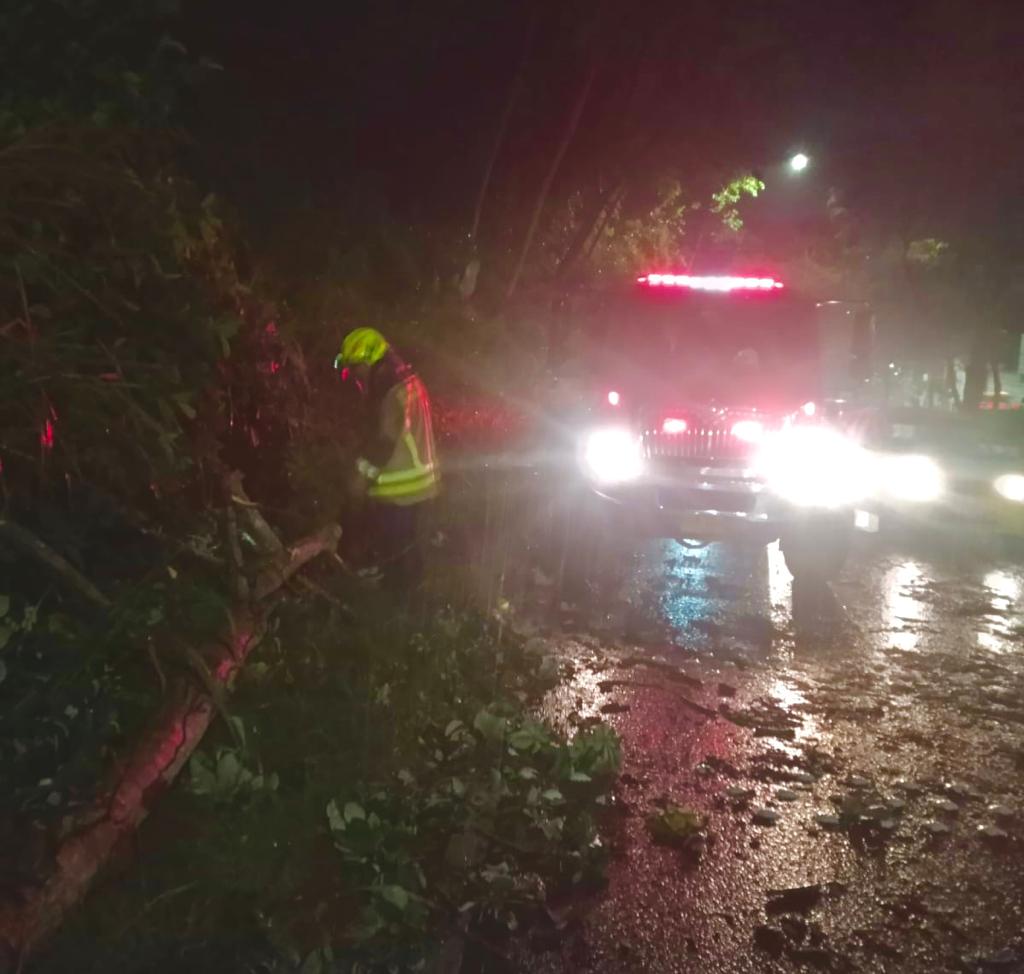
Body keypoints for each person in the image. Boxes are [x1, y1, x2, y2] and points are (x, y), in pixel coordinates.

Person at [335, 328, 439, 589]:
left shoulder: (390, 390)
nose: (355, 378)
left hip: (399, 483)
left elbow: (384, 440)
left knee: (395, 548)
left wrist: (361, 476)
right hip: (417, 481)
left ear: (370, 362)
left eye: (355, 369)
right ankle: (407, 598)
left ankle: (395, 600)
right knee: (407, 546)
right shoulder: (406, 380)